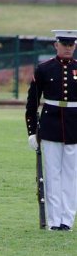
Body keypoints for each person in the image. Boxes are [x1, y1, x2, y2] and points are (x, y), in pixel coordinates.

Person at [26, 29, 77, 231]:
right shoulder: (44, 69)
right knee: (52, 175)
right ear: (56, 45)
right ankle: (55, 220)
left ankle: (67, 219)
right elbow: (32, 103)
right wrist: (31, 132)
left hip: (74, 127)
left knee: (71, 175)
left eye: (70, 44)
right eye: (64, 44)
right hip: (50, 125)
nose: (67, 48)